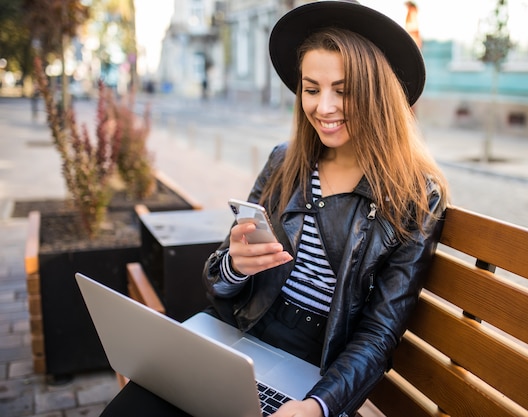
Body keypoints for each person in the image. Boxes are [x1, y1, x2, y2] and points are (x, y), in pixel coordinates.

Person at [100, 2, 448, 416]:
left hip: (314, 368)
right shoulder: (285, 162)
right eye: (312, 89)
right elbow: (216, 281)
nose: (323, 107)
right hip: (235, 332)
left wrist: (317, 406)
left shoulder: (415, 195)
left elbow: (379, 332)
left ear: (378, 93)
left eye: (343, 89)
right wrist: (235, 264)